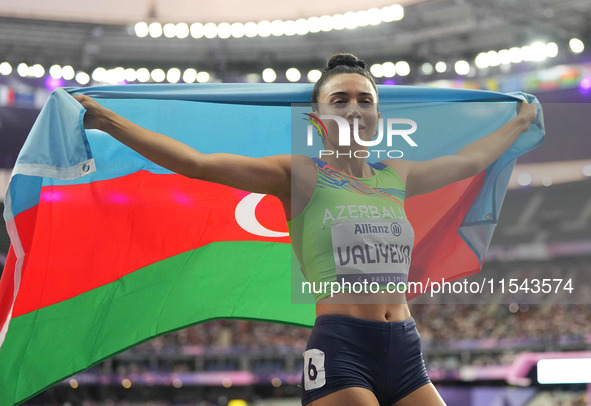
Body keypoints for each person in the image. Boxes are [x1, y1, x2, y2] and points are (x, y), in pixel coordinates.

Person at [74, 53, 537, 406]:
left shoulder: (399, 175)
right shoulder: (297, 175)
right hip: (343, 349)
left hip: (406, 347)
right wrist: (108, 120)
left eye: (365, 100)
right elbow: (196, 164)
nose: (354, 108)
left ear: (378, 119)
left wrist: (519, 122)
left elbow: (471, 161)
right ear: (317, 120)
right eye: (340, 100)